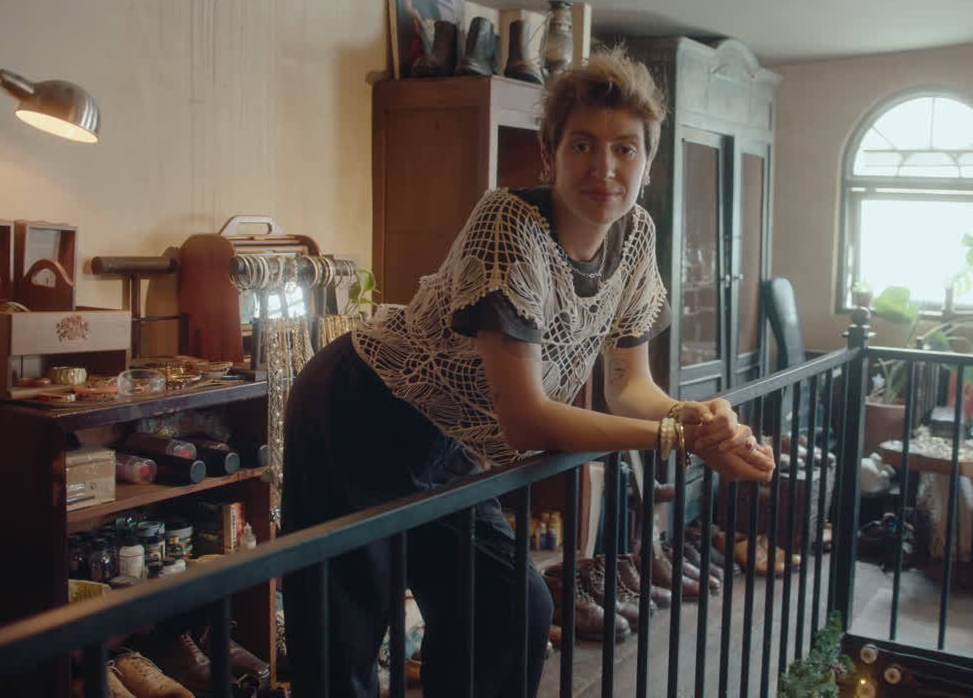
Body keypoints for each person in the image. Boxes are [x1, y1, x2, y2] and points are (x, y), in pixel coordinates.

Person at [281, 46, 776, 698]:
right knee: (343, 642)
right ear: (550, 155)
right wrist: (678, 439)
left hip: (444, 439)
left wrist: (703, 420)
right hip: (356, 413)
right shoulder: (510, 224)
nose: (604, 168)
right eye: (582, 146)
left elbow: (630, 385)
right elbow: (525, 418)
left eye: (626, 149)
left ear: (648, 164)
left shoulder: (635, 239)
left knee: (512, 607)